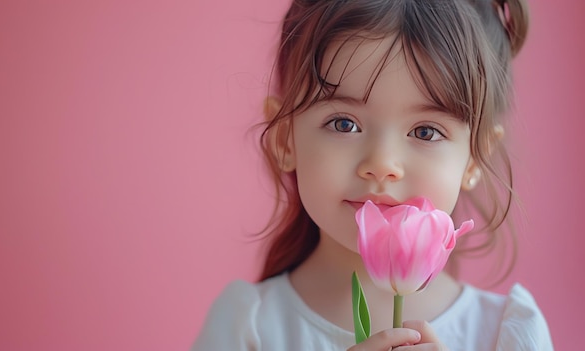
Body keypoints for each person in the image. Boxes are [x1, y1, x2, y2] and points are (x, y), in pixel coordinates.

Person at [192, 0, 554, 350]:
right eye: (344, 123)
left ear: (474, 158)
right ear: (285, 139)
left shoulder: (504, 335)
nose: (382, 164)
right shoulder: (248, 329)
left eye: (425, 131)